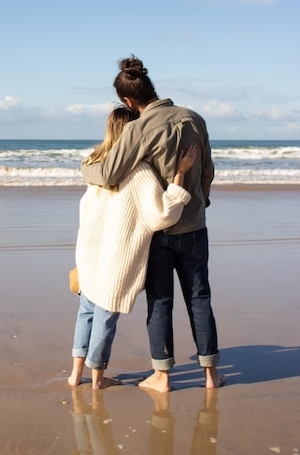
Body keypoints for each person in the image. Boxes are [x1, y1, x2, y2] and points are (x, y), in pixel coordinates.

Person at [81, 56, 225, 392]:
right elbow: (207, 171)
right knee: (200, 298)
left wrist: (84, 168)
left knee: (160, 301)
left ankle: (161, 376)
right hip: (195, 226)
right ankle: (211, 375)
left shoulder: (138, 128)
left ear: (128, 101)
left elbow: (108, 173)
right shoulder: (194, 118)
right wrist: (201, 202)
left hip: (158, 231)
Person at [69, 106, 196, 390]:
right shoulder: (138, 170)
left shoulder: (96, 163)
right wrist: (179, 177)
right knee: (105, 319)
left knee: (86, 313)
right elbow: (161, 215)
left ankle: (75, 375)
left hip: (89, 253)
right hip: (114, 259)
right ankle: (97, 380)